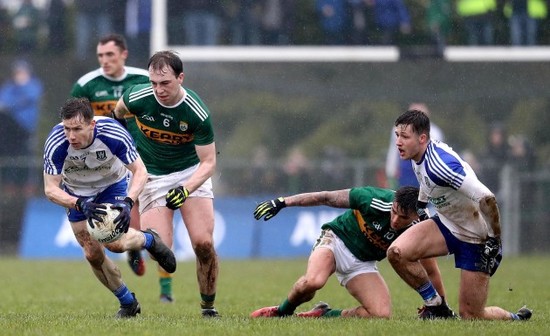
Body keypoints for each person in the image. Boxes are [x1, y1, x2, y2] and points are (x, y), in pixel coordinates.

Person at [386, 109, 532, 320]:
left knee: (472, 316)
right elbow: (427, 181)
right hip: (447, 224)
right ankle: (436, 306)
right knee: (397, 253)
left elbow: (487, 198)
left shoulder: (442, 165)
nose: (398, 142)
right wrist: (421, 205)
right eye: (397, 136)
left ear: (423, 138)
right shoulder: (415, 155)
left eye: (405, 137)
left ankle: (514, 318)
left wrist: (494, 239)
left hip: (476, 236)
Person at [43, 97, 176, 318]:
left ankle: (150, 240)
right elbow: (50, 189)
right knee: (92, 253)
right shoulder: (56, 142)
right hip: (77, 193)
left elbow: (140, 171)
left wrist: (128, 202)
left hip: (111, 185)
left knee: (115, 244)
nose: (71, 136)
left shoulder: (111, 132)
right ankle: (128, 303)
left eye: (77, 129)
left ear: (92, 124)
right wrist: (79, 203)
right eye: (67, 128)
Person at [113, 50, 220, 317]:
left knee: (203, 244)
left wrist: (186, 189)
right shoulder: (137, 97)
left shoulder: (196, 112)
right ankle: (138, 250)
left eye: (165, 83)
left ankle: (208, 308)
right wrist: (131, 146)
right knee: (160, 250)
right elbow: (118, 115)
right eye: (154, 83)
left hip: (188, 175)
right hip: (152, 177)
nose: (158, 90)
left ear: (181, 78)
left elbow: (208, 162)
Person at [250, 185, 453, 318]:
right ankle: (282, 312)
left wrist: (440, 305)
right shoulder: (373, 199)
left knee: (380, 315)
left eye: (403, 218)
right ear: (393, 203)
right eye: (394, 212)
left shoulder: (422, 226)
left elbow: (430, 270)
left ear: (416, 216)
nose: (395, 220)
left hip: (362, 263)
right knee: (313, 282)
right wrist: (283, 202)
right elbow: (325, 197)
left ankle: (323, 314)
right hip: (335, 240)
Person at [70, 33, 150, 278]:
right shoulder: (87, 84)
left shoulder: (143, 79)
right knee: (125, 207)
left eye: (110, 55)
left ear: (123, 54)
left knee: (144, 202)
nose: (104, 60)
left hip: (140, 152)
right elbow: (72, 121)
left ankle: (142, 246)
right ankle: (134, 243)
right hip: (106, 158)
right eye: (100, 56)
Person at [0, 60, 43, 195]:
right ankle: (9, 185)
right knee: (11, 159)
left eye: (22, 72)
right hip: (10, 133)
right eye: (17, 73)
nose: (19, 76)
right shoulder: (9, 87)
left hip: (26, 130)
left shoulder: (34, 85)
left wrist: (14, 103)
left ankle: (28, 186)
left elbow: (31, 96)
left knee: (27, 159)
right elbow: (3, 103)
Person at [385, 103, 444, 190]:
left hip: (426, 173)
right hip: (405, 173)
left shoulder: (435, 132)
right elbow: (394, 151)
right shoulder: (399, 129)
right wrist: (390, 172)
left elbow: (438, 156)